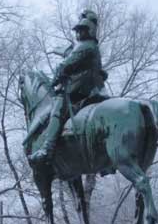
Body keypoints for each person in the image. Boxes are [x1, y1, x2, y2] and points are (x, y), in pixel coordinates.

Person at [29, 10, 107, 164]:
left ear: (88, 30)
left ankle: (47, 147)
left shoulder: (85, 45)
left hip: (80, 90)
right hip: (95, 90)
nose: (78, 34)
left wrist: (55, 80)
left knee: (57, 109)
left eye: (81, 30)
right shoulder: (93, 48)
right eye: (78, 31)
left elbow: (65, 66)